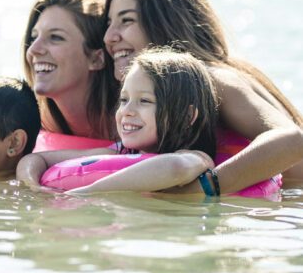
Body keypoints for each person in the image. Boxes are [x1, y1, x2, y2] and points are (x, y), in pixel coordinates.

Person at [103, 0, 303, 193]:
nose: (109, 37)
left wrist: (202, 190)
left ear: (166, 23)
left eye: (126, 20)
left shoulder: (214, 79)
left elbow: (292, 140)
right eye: (109, 23)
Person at [17, 48, 215, 194]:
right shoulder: (118, 152)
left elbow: (175, 168)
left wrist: (85, 192)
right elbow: (36, 159)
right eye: (124, 100)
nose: (126, 111)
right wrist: (32, 187)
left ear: (188, 117)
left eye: (144, 101)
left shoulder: (197, 159)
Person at [22, 0, 119, 141]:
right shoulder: (25, 128)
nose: (33, 49)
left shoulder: (137, 126)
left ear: (96, 59)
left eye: (55, 37)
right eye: (34, 37)